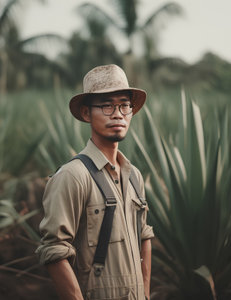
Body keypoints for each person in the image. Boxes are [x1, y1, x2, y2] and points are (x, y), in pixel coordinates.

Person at [36, 64, 154, 300]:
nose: (118, 113)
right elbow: (54, 250)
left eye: (124, 105)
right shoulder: (73, 176)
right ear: (87, 113)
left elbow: (144, 237)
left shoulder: (134, 176)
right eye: (107, 105)